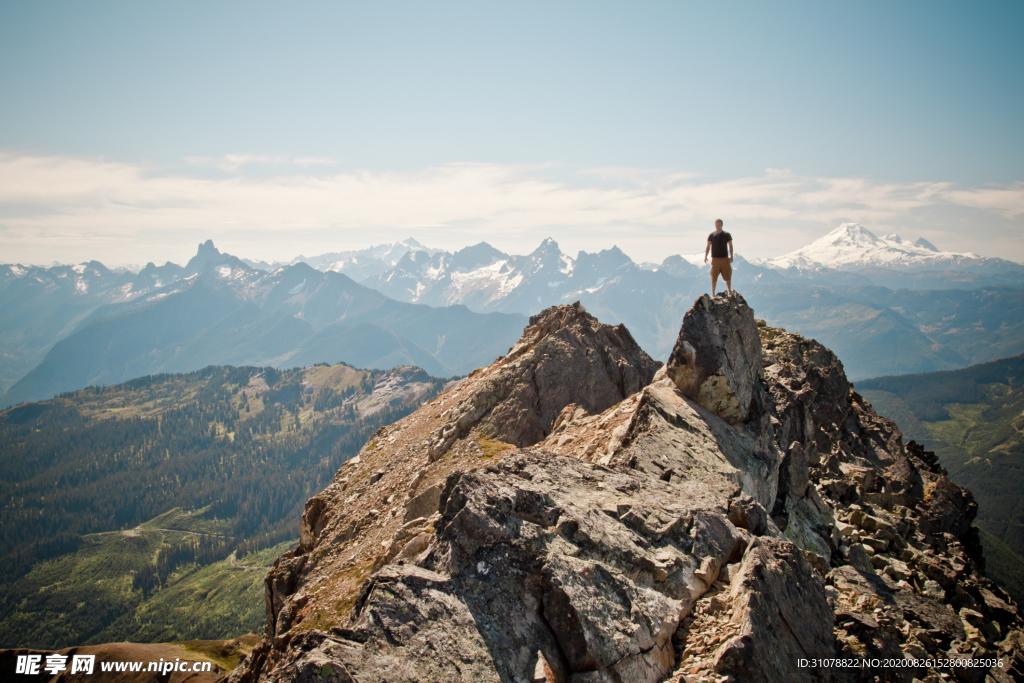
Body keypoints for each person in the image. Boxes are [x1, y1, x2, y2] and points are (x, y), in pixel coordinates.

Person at [704, 219, 733, 296]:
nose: (718, 226)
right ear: (715, 225)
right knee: (713, 276)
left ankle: (729, 291)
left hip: (725, 258)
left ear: (722, 225)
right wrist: (705, 256)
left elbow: (730, 245)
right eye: (717, 225)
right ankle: (713, 293)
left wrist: (731, 256)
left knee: (728, 275)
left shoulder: (727, 235)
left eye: (719, 225)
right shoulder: (712, 235)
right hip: (715, 259)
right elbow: (708, 246)